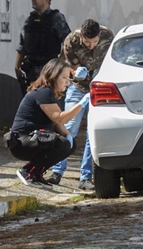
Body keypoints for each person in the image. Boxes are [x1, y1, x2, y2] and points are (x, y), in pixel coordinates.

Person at [47, 19, 115, 190]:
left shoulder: (108, 35)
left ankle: (86, 177)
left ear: (99, 35)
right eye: (87, 42)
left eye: (95, 41)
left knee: (92, 133)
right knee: (68, 128)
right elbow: (69, 67)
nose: (91, 46)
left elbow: (113, 59)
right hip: (78, 87)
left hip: (100, 87)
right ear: (81, 36)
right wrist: (76, 72)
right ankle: (57, 171)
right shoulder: (71, 41)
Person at [7, 58, 90, 186]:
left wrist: (68, 137)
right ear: (53, 76)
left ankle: (36, 174)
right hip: (21, 142)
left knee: (69, 144)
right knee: (62, 144)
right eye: (64, 78)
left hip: (31, 139)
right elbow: (59, 118)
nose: (67, 82)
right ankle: (27, 170)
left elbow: (57, 124)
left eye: (68, 78)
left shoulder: (49, 93)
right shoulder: (43, 92)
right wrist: (82, 104)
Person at [14, 0, 71, 95]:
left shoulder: (56, 18)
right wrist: (17, 66)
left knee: (47, 98)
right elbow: (22, 44)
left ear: (46, 0)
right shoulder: (30, 20)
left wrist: (59, 63)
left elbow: (68, 42)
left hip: (48, 69)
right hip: (30, 70)